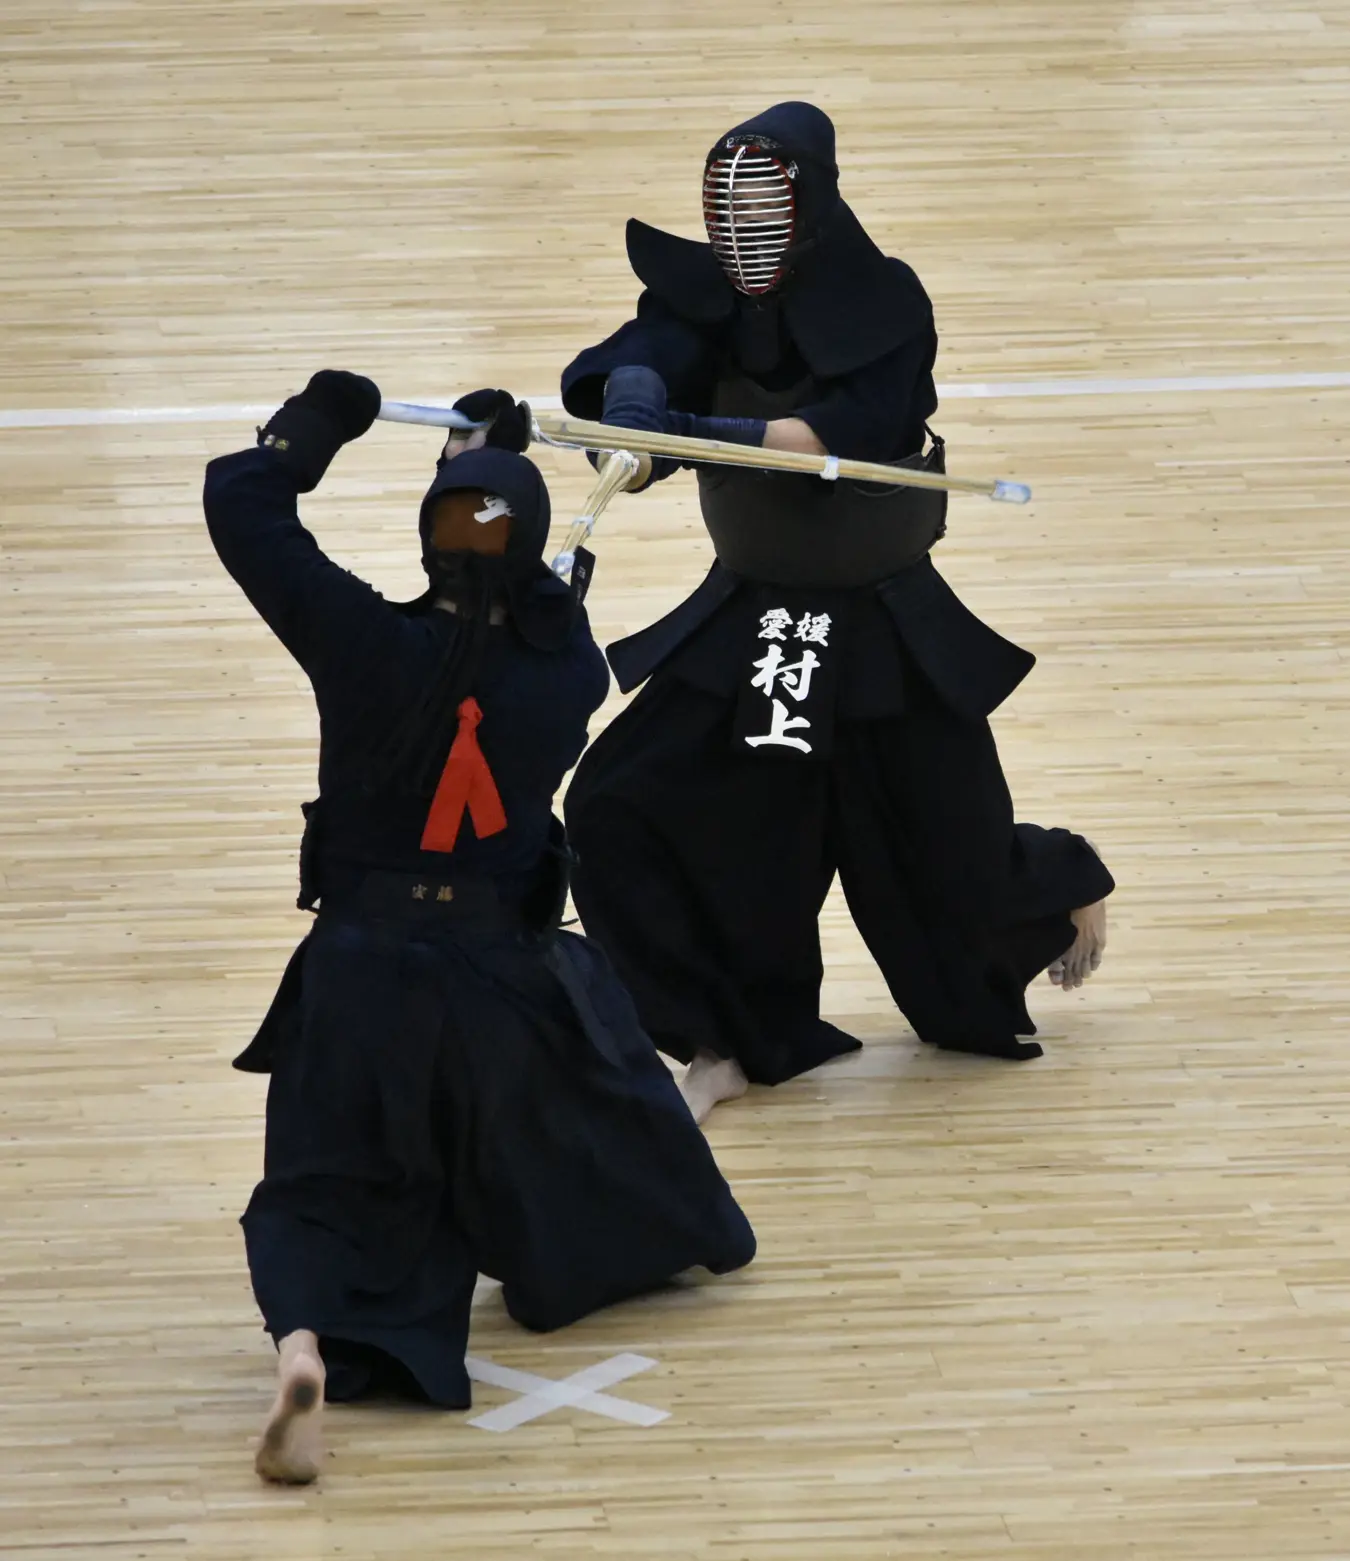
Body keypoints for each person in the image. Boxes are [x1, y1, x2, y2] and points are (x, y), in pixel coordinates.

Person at [202, 372, 755, 1485]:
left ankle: (303, 1350)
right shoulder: (564, 675)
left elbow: (242, 505)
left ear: (428, 547)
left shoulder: (354, 639)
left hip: (358, 970)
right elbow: (541, 584)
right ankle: (678, 1119)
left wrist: (322, 420)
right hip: (500, 981)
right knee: (601, 1127)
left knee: (326, 1184)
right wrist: (490, 465)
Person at [560, 102, 1114, 1124]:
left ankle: (1063, 875)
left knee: (953, 872)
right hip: (759, 620)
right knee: (618, 810)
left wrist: (687, 429)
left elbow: (836, 435)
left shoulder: (888, 305)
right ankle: (725, 1034)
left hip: (882, 624)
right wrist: (631, 408)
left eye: (764, 209)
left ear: (811, 205)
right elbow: (645, 351)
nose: (742, 235)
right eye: (726, 213)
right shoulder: (702, 298)